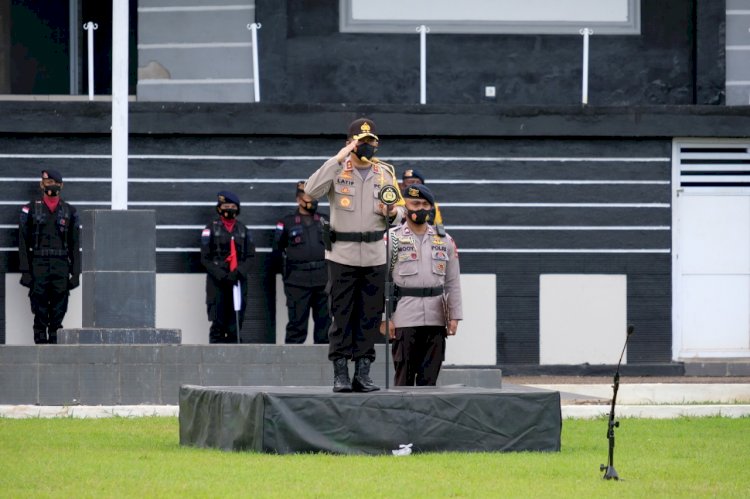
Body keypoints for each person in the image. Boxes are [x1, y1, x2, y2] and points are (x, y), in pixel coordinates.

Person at [305, 117, 402, 392]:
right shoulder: (337, 170)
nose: (368, 146)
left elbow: (400, 210)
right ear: (350, 144)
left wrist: (394, 213)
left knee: (369, 317)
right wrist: (337, 159)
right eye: (362, 142)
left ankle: (363, 372)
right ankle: (340, 373)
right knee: (342, 315)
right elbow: (311, 190)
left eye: (372, 141)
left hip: (374, 255)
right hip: (342, 256)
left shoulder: (384, 173)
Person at [384, 184, 462, 386]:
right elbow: (379, 281)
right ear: (406, 206)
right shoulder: (391, 238)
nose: (420, 208)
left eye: (425, 204)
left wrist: (454, 316)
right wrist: (384, 318)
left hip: (436, 317)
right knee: (404, 380)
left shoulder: (444, 239)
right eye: (415, 203)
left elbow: (452, 281)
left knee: (430, 381)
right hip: (404, 316)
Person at [18, 169, 81, 344]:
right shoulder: (29, 209)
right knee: (39, 308)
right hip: (38, 265)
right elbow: (22, 241)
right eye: (47, 182)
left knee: (59, 308)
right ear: (41, 184)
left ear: (61, 185)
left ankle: (55, 345)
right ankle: (40, 344)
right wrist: (25, 270)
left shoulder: (70, 211)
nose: (50, 185)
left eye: (54, 182)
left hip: (61, 266)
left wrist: (76, 273)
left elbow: (76, 244)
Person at [271, 182, 330, 344]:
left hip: (323, 280)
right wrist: (286, 276)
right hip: (297, 281)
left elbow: (335, 246)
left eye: (314, 197)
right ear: (299, 200)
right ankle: (291, 365)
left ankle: (325, 364)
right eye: (308, 197)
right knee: (297, 325)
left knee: (325, 324)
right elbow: (277, 250)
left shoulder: (325, 220)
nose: (313, 200)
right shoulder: (287, 222)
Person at [200, 191, 255, 343]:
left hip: (237, 281)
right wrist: (221, 275)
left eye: (232, 206)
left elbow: (250, 256)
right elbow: (205, 258)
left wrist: (238, 273)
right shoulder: (210, 229)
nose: (229, 209)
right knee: (218, 324)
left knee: (235, 325)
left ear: (238, 209)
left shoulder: (243, 230)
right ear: (219, 208)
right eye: (226, 206)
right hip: (217, 282)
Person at [400, 168, 446, 236]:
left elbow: (439, 228)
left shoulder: (432, 206)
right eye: (410, 182)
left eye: (418, 182)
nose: (415, 185)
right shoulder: (394, 205)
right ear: (402, 186)